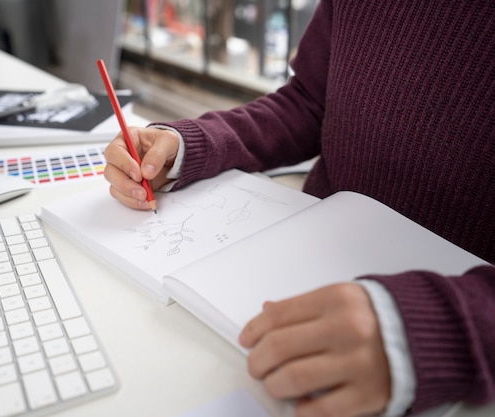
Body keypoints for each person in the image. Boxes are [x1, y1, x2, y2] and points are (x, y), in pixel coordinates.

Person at [103, 1, 495, 416]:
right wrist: (192, 145)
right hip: (303, 264)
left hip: (438, 354)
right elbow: (311, 101)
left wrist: (448, 328)